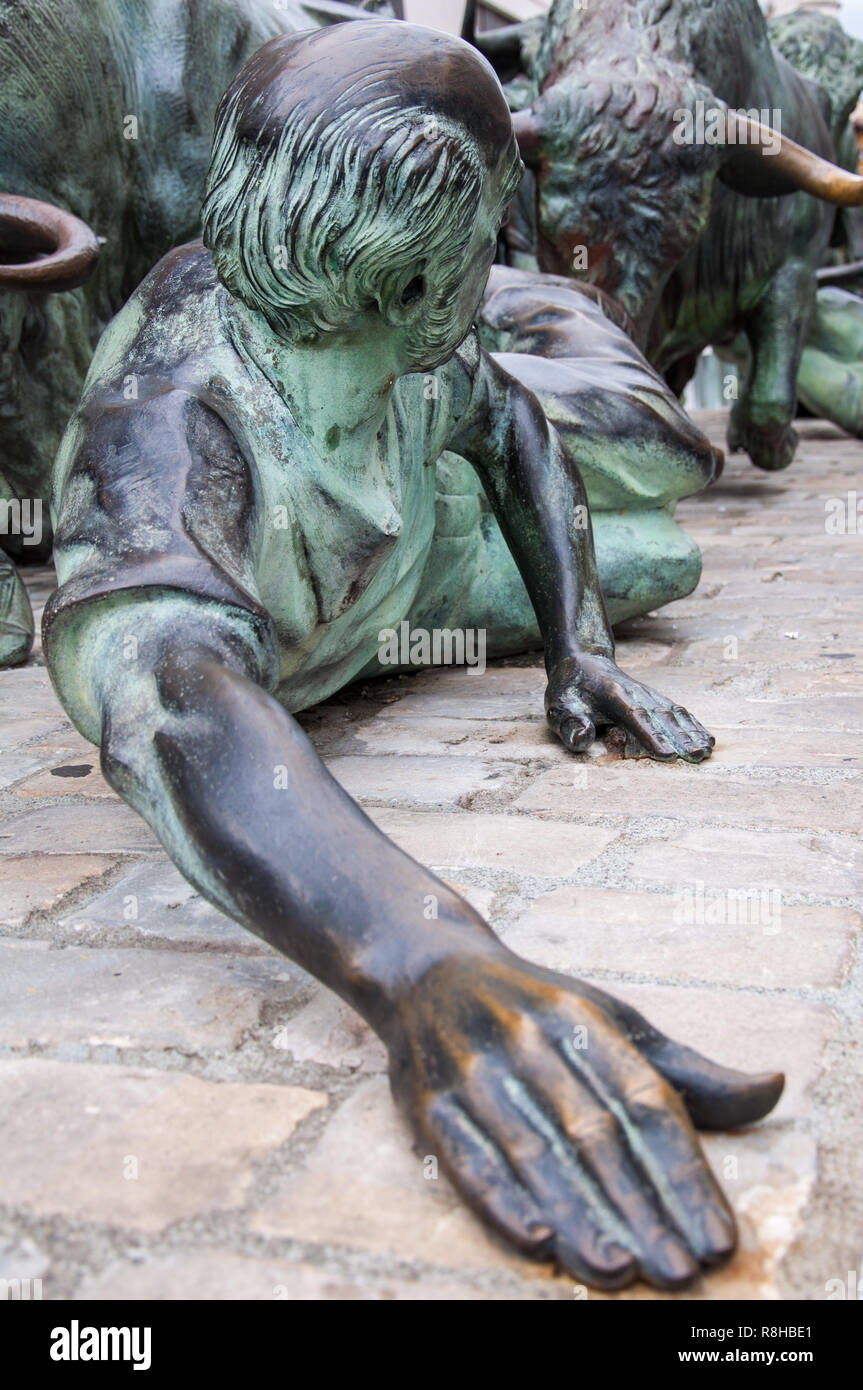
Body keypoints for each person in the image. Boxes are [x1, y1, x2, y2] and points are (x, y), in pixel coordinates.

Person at [44, 21, 782, 1290]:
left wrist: (576, 652)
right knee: (652, 522)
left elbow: (508, 428)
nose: (503, 249)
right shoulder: (168, 424)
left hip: (394, 579)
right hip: (274, 617)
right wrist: (423, 953)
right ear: (409, 275)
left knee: (661, 558)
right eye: (492, 228)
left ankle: (510, 604)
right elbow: (173, 696)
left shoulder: (411, 341)